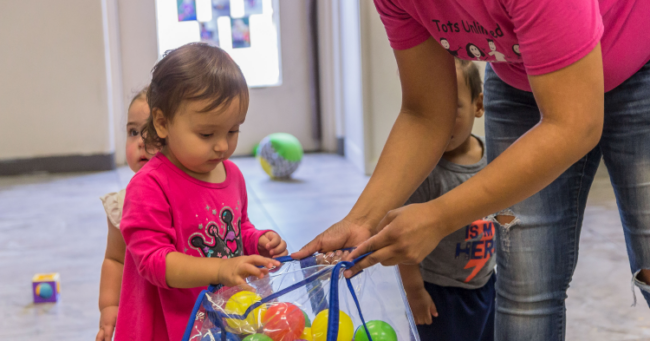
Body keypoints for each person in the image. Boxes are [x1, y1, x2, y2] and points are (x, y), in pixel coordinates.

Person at [294, 1, 650, 340]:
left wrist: (439, 216)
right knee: (525, 288)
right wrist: (362, 219)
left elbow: (575, 124)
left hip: (639, 67)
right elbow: (425, 112)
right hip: (521, 76)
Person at [114, 43, 288, 341]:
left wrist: (256, 240)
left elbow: (236, 228)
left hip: (222, 318)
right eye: (207, 134)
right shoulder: (148, 186)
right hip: (169, 326)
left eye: (233, 131)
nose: (222, 146)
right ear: (162, 123)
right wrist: (220, 269)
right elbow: (153, 261)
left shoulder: (230, 173)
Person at [399, 59, 494, 341]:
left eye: (452, 109)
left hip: (486, 283)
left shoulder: (494, 158)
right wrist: (415, 292)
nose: (439, 122)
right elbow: (404, 239)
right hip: (438, 293)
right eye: (431, 110)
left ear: (478, 105)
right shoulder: (424, 173)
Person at [96, 87, 156, 341]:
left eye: (152, 131)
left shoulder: (187, 196)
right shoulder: (121, 203)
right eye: (133, 132)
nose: (141, 141)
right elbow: (115, 259)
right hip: (141, 311)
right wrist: (109, 306)